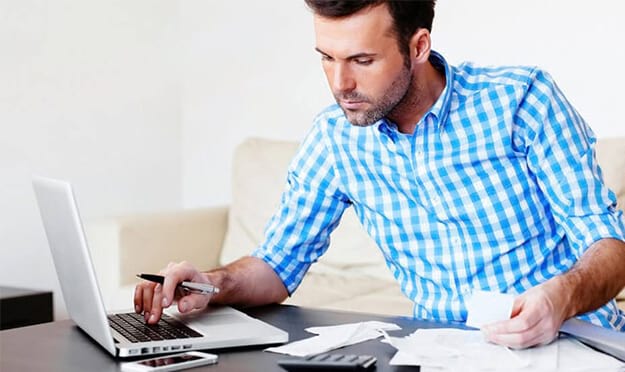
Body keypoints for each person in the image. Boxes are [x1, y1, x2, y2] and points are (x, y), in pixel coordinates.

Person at [134, 0, 625, 348]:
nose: (340, 84)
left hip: (573, 342)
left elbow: (610, 247)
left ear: (418, 45)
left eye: (362, 60)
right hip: (441, 355)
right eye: (326, 58)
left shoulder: (522, 100)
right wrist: (211, 283)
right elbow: (277, 266)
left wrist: (561, 297)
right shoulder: (335, 138)